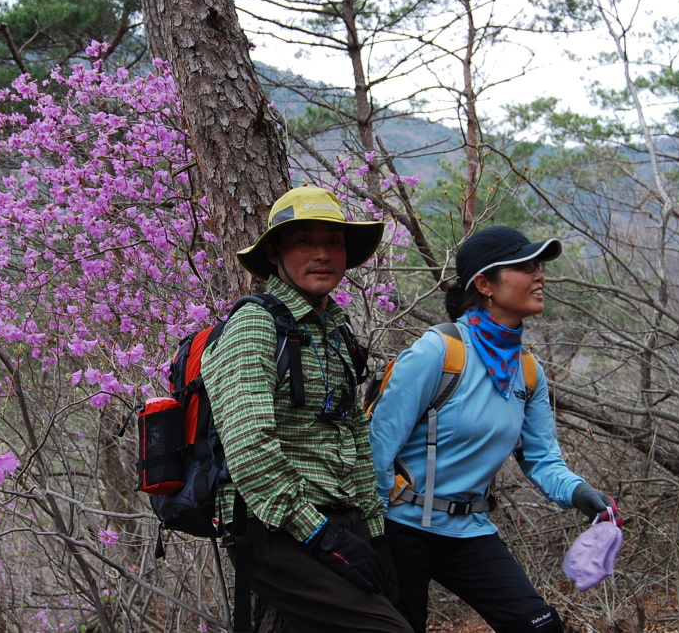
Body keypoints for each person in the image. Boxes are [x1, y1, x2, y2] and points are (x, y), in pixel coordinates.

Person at [368, 225, 621, 633]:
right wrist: (375, 535)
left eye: (539, 265)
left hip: (469, 529)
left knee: (538, 626)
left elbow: (541, 458)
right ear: (484, 284)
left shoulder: (527, 371)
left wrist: (581, 493)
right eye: (525, 266)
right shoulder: (439, 351)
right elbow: (377, 447)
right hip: (401, 528)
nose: (540, 276)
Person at [200, 185, 410, 632]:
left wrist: (374, 532)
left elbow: (352, 434)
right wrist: (320, 534)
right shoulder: (254, 324)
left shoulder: (334, 330)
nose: (322, 254)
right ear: (276, 254)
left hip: (339, 517)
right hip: (274, 527)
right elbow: (250, 448)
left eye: (333, 241)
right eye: (304, 242)